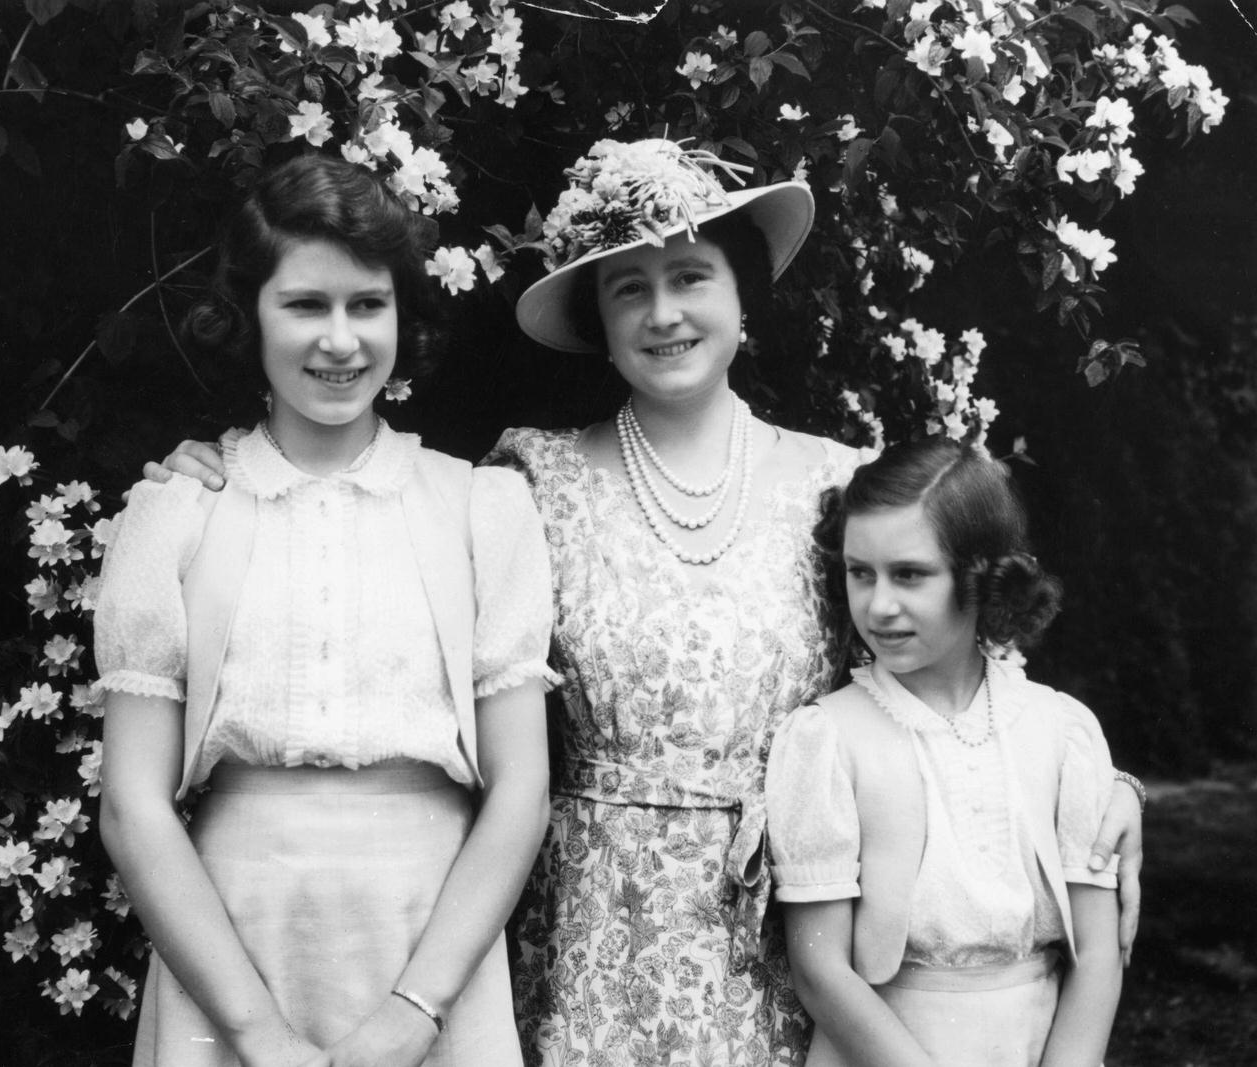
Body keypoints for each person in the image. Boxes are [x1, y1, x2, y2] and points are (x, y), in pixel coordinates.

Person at [144, 138, 1144, 1067]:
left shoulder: (834, 483)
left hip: (794, 923)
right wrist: (215, 473)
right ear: (600, 327)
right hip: (589, 924)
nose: (663, 313)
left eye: (690, 278)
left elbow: (948, 671)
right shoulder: (528, 479)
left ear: (741, 296)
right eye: (631, 289)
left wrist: (1098, 792)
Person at [94, 153, 556, 1067]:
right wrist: (258, 1036)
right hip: (233, 941)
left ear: (402, 317)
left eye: (367, 305)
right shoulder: (181, 512)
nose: (339, 341)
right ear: (248, 319)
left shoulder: (477, 508)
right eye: (305, 305)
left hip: (429, 939)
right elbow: (132, 805)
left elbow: (521, 790)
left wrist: (413, 1014)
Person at [767, 437, 1123, 1067]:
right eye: (860, 573)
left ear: (980, 574)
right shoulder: (829, 738)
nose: (879, 605)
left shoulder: (1061, 731)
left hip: (1034, 1043)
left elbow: (1098, 951)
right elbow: (821, 966)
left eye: (910, 574)